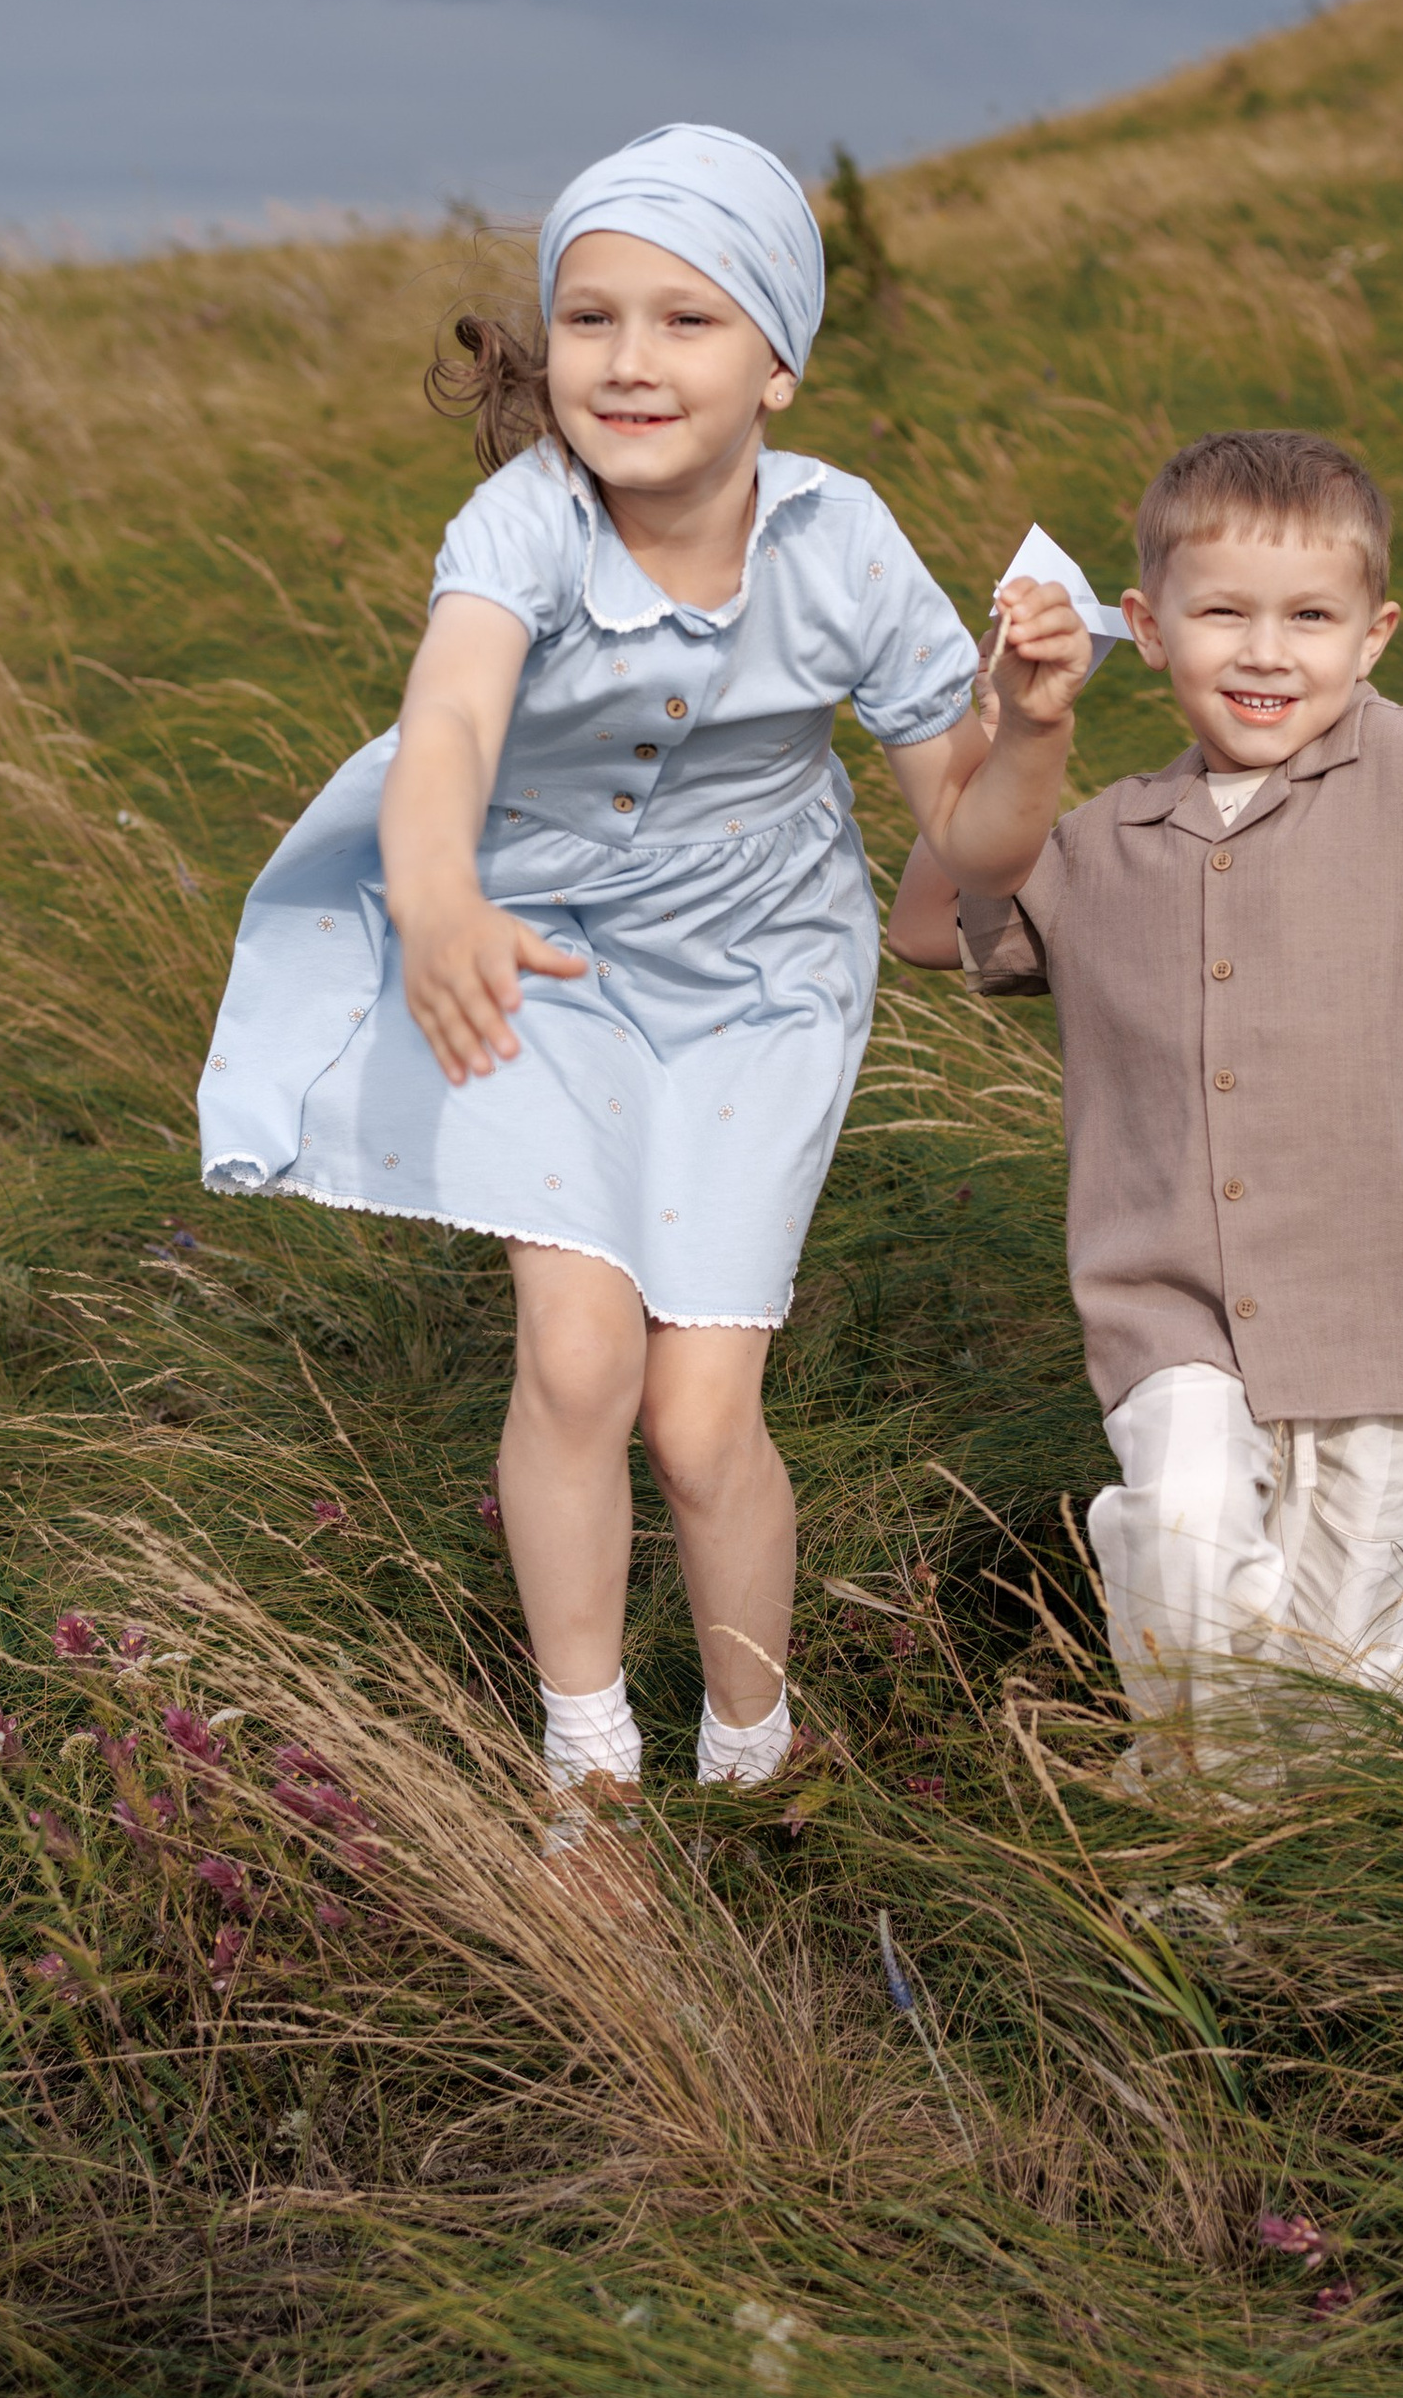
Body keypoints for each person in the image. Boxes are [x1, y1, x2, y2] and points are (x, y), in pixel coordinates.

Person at [199, 125, 1091, 1824]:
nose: (629, 359)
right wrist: (441, 898)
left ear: (778, 362)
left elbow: (968, 850)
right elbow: (454, 710)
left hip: (766, 979)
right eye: (593, 317)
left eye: (688, 320)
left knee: (696, 1420)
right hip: (537, 951)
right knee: (581, 1362)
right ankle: (588, 1760)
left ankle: (756, 1754)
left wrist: (1030, 726)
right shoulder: (526, 517)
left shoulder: (844, 544)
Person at [887, 426, 1403, 1789]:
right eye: (1221, 612)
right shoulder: (1101, 839)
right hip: (1169, 1309)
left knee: (1326, 1725)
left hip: (1387, 1322)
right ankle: (1187, 1861)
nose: (1266, 652)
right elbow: (930, 924)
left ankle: (1245, 1879)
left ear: (1375, 633)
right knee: (1174, 1530)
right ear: (1147, 628)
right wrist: (1017, 727)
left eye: (1310, 618)